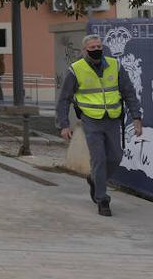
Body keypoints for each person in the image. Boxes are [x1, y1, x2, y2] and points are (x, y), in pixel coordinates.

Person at [56, 34, 143, 217]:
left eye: (98, 47)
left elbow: (129, 93)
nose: (96, 50)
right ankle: (102, 199)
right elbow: (64, 99)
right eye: (92, 48)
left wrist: (136, 118)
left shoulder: (114, 65)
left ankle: (95, 179)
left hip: (112, 119)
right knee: (99, 159)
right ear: (84, 51)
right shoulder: (76, 69)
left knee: (116, 157)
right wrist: (64, 125)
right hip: (91, 121)